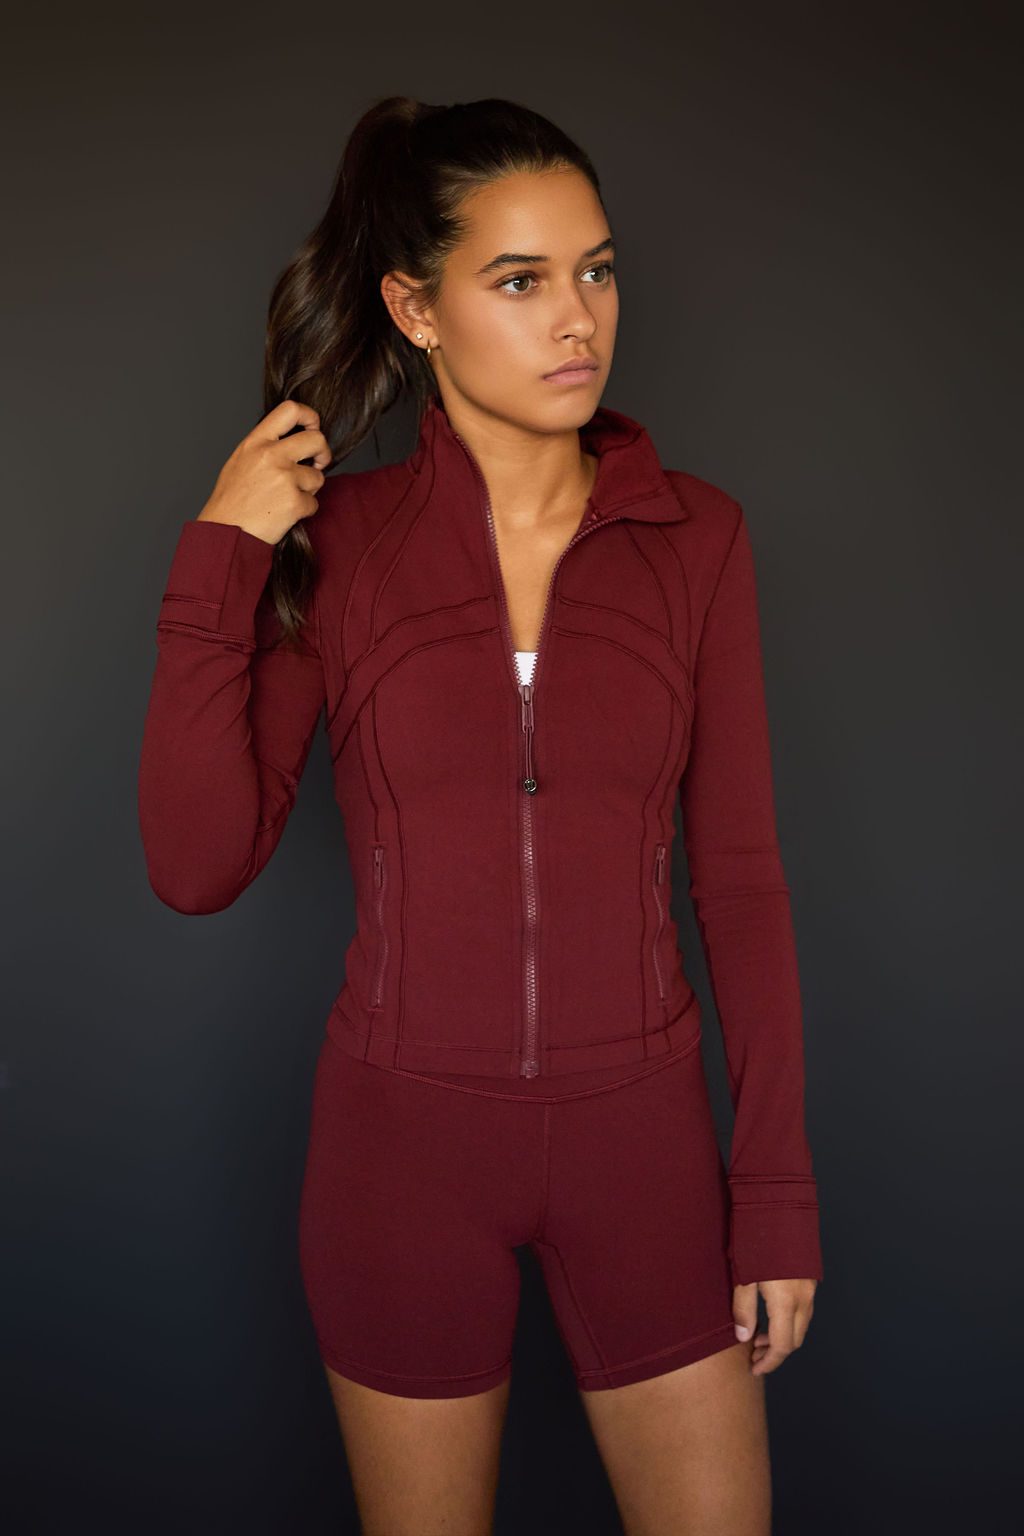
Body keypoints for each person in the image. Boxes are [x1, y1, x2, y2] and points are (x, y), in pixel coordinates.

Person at [138, 95, 823, 1536]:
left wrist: (774, 1193)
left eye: (597, 269)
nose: (578, 318)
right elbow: (197, 867)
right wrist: (219, 561)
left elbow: (743, 883)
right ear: (416, 309)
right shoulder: (340, 546)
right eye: (520, 280)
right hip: (399, 1161)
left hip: (644, 1152)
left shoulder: (698, 539)